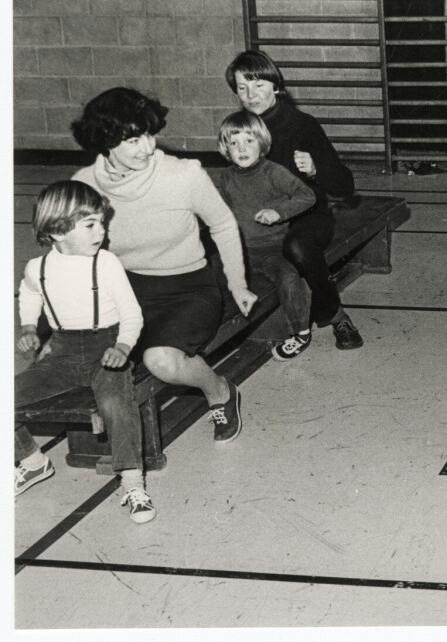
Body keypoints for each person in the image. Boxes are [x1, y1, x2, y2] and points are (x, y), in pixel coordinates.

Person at [71, 87, 256, 444]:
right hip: (125, 292)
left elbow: (222, 224)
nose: (148, 147)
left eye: (150, 135)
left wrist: (237, 283)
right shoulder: (84, 185)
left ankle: (219, 390)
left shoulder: (182, 174)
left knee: (162, 362)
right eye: (133, 140)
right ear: (106, 141)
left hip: (187, 289)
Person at [14, 181, 153, 523]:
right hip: (60, 355)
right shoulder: (38, 268)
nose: (101, 231)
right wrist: (29, 327)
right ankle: (32, 461)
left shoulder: (105, 264)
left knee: (114, 402)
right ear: (57, 231)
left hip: (105, 351)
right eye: (90, 224)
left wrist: (122, 347)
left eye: (102, 223)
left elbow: (132, 314)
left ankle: (133, 481)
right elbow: (29, 293)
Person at [224, 49, 363, 351]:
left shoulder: (303, 124)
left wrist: (316, 169)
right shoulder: (240, 129)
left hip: (307, 215)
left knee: (296, 246)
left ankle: (337, 316)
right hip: (262, 221)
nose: (251, 95)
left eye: (258, 85)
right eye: (242, 88)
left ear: (275, 85)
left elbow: (344, 185)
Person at [212, 111, 318, 361]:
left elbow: (307, 195)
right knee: (205, 276)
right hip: (239, 251)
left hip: (273, 249)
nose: (242, 148)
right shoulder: (226, 176)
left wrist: (278, 212)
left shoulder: (274, 172)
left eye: (249, 141)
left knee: (289, 278)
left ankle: (300, 332)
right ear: (225, 148)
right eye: (234, 143)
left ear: (262, 143)